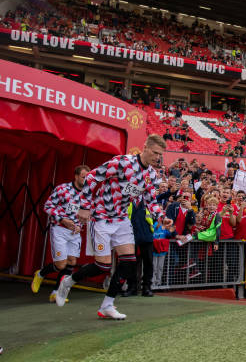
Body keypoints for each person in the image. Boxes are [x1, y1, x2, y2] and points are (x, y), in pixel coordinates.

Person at [55, 135, 173, 319]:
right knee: (103, 266)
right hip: (101, 217)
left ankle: (107, 306)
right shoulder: (122, 162)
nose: (158, 157)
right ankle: (68, 282)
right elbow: (92, 177)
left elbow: (150, 200)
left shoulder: (150, 175)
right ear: (145, 148)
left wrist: (161, 217)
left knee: (129, 262)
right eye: (155, 153)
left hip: (121, 219)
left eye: (160, 154)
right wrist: (85, 206)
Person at [33, 165, 90, 303]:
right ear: (76, 176)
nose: (86, 180)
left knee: (72, 261)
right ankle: (40, 274)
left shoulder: (87, 195)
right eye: (83, 177)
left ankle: (56, 293)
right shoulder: (62, 189)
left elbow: (86, 213)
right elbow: (47, 206)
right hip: (60, 229)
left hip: (75, 232)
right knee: (60, 264)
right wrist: (63, 220)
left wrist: (80, 225)